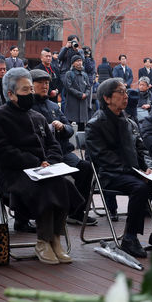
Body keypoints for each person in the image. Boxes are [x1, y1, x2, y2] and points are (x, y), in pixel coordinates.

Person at [0, 67, 83, 264]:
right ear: (10, 94)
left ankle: (55, 239)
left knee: (64, 184)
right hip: (15, 175)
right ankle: (43, 241)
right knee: (49, 188)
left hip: (44, 171)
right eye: (25, 91)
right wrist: (35, 162)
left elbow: (53, 145)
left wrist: (50, 161)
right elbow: (2, 150)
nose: (31, 94)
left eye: (31, 90)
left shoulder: (38, 116)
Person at [85, 77, 152, 259]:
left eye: (125, 91)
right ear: (107, 98)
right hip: (111, 174)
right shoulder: (95, 125)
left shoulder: (129, 121)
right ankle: (130, 238)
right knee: (141, 188)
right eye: (121, 92)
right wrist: (135, 172)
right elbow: (103, 157)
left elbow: (142, 148)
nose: (126, 96)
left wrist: (148, 167)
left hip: (136, 173)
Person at [30, 69, 96, 226]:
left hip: (62, 151)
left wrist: (62, 128)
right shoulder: (28, 106)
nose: (45, 86)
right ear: (31, 85)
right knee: (52, 178)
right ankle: (39, 215)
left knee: (86, 168)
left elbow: (69, 129)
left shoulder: (53, 105)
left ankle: (77, 212)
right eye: (40, 82)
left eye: (47, 83)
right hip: (41, 154)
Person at [63, 54, 92, 130]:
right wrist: (80, 94)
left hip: (83, 103)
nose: (79, 62)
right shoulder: (69, 74)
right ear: (73, 63)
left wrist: (86, 94)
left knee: (81, 126)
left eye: (81, 61)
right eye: (77, 61)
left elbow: (88, 87)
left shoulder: (84, 75)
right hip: (72, 104)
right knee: (69, 124)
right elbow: (68, 87)